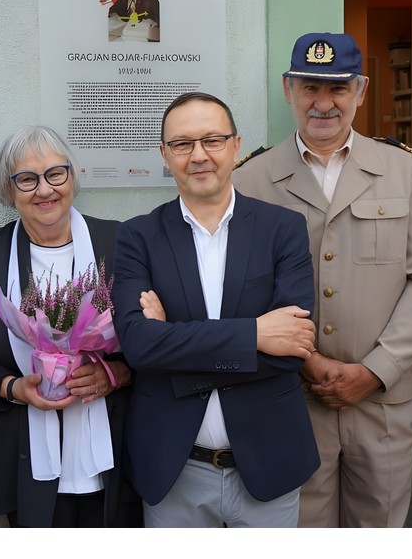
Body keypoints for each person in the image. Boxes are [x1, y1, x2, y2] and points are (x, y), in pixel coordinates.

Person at [233, 32, 412, 528]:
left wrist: (374, 370)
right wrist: (309, 362)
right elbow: (244, 289)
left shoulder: (404, 171)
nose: (323, 103)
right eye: (310, 87)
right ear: (288, 89)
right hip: (293, 397)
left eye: (338, 88)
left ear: (361, 91)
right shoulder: (250, 180)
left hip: (384, 400)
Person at [112, 92, 320, 527]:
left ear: (235, 145)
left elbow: (292, 350)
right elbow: (139, 347)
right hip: (174, 467)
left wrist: (173, 342)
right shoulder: (137, 237)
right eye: (182, 144)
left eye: (212, 140)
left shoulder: (283, 229)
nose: (199, 155)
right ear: (164, 154)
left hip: (270, 461)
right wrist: (255, 334)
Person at [0, 126, 141, 528]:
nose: (45, 189)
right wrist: (11, 388)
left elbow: (152, 338)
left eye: (55, 174)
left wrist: (116, 374)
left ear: (72, 176)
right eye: (27, 179)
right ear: (9, 190)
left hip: (114, 455)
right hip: (23, 457)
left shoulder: (119, 241)